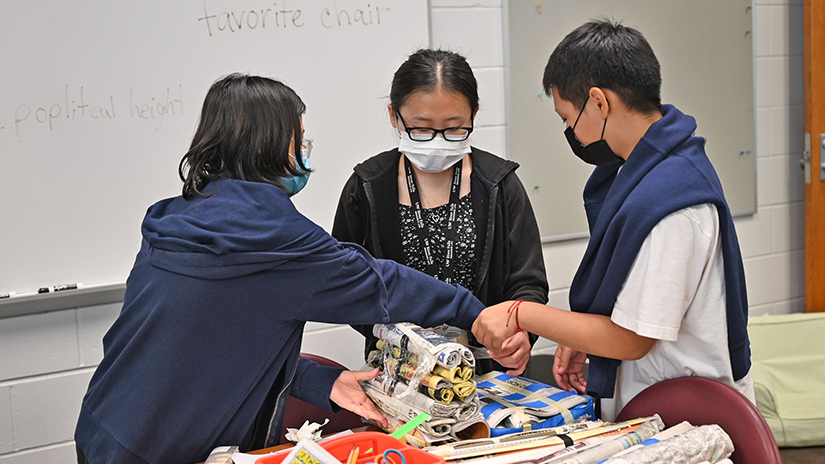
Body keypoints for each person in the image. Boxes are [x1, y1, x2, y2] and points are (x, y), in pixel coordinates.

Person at [74, 74, 528, 464]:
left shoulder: (177, 217)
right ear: (270, 145)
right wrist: (472, 310)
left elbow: (213, 338)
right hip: (164, 449)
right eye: (299, 139)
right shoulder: (273, 237)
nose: (304, 150)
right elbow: (380, 282)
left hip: (104, 422)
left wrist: (319, 379)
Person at [472, 20, 754, 420]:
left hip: (686, 414)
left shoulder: (673, 202)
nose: (570, 131)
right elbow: (632, 301)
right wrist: (585, 335)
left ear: (599, 102)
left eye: (568, 118)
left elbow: (631, 339)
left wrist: (520, 312)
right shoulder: (642, 168)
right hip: (653, 398)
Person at [332, 49, 548, 375]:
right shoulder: (367, 187)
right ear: (394, 116)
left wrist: (521, 333)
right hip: (400, 372)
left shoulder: (499, 183)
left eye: (455, 127)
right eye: (421, 128)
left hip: (489, 370)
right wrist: (400, 337)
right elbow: (345, 287)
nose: (438, 140)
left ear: (474, 114)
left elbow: (528, 283)